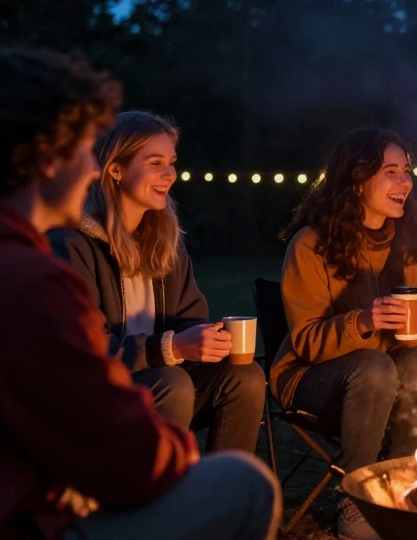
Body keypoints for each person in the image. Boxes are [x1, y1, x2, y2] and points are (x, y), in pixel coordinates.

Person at [0, 49, 280, 540]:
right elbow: (130, 460)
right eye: (87, 152)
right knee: (242, 486)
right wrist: (181, 453)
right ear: (49, 158)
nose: (94, 170)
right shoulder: (20, 279)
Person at [50, 111, 265, 454]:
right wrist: (172, 347)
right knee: (173, 382)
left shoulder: (166, 243)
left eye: (171, 162)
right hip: (95, 395)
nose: (170, 174)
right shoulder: (73, 244)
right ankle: (162, 499)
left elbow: (188, 319)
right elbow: (86, 350)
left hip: (164, 386)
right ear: (115, 169)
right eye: (155, 162)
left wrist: (206, 341)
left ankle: (222, 493)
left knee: (246, 377)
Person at [272, 128, 417, 540]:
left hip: (389, 376)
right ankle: (356, 496)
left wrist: (413, 329)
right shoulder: (311, 244)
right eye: (391, 172)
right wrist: (364, 322)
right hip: (312, 379)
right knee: (374, 367)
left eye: (407, 171)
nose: (405, 182)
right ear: (356, 179)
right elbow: (308, 342)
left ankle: (400, 485)